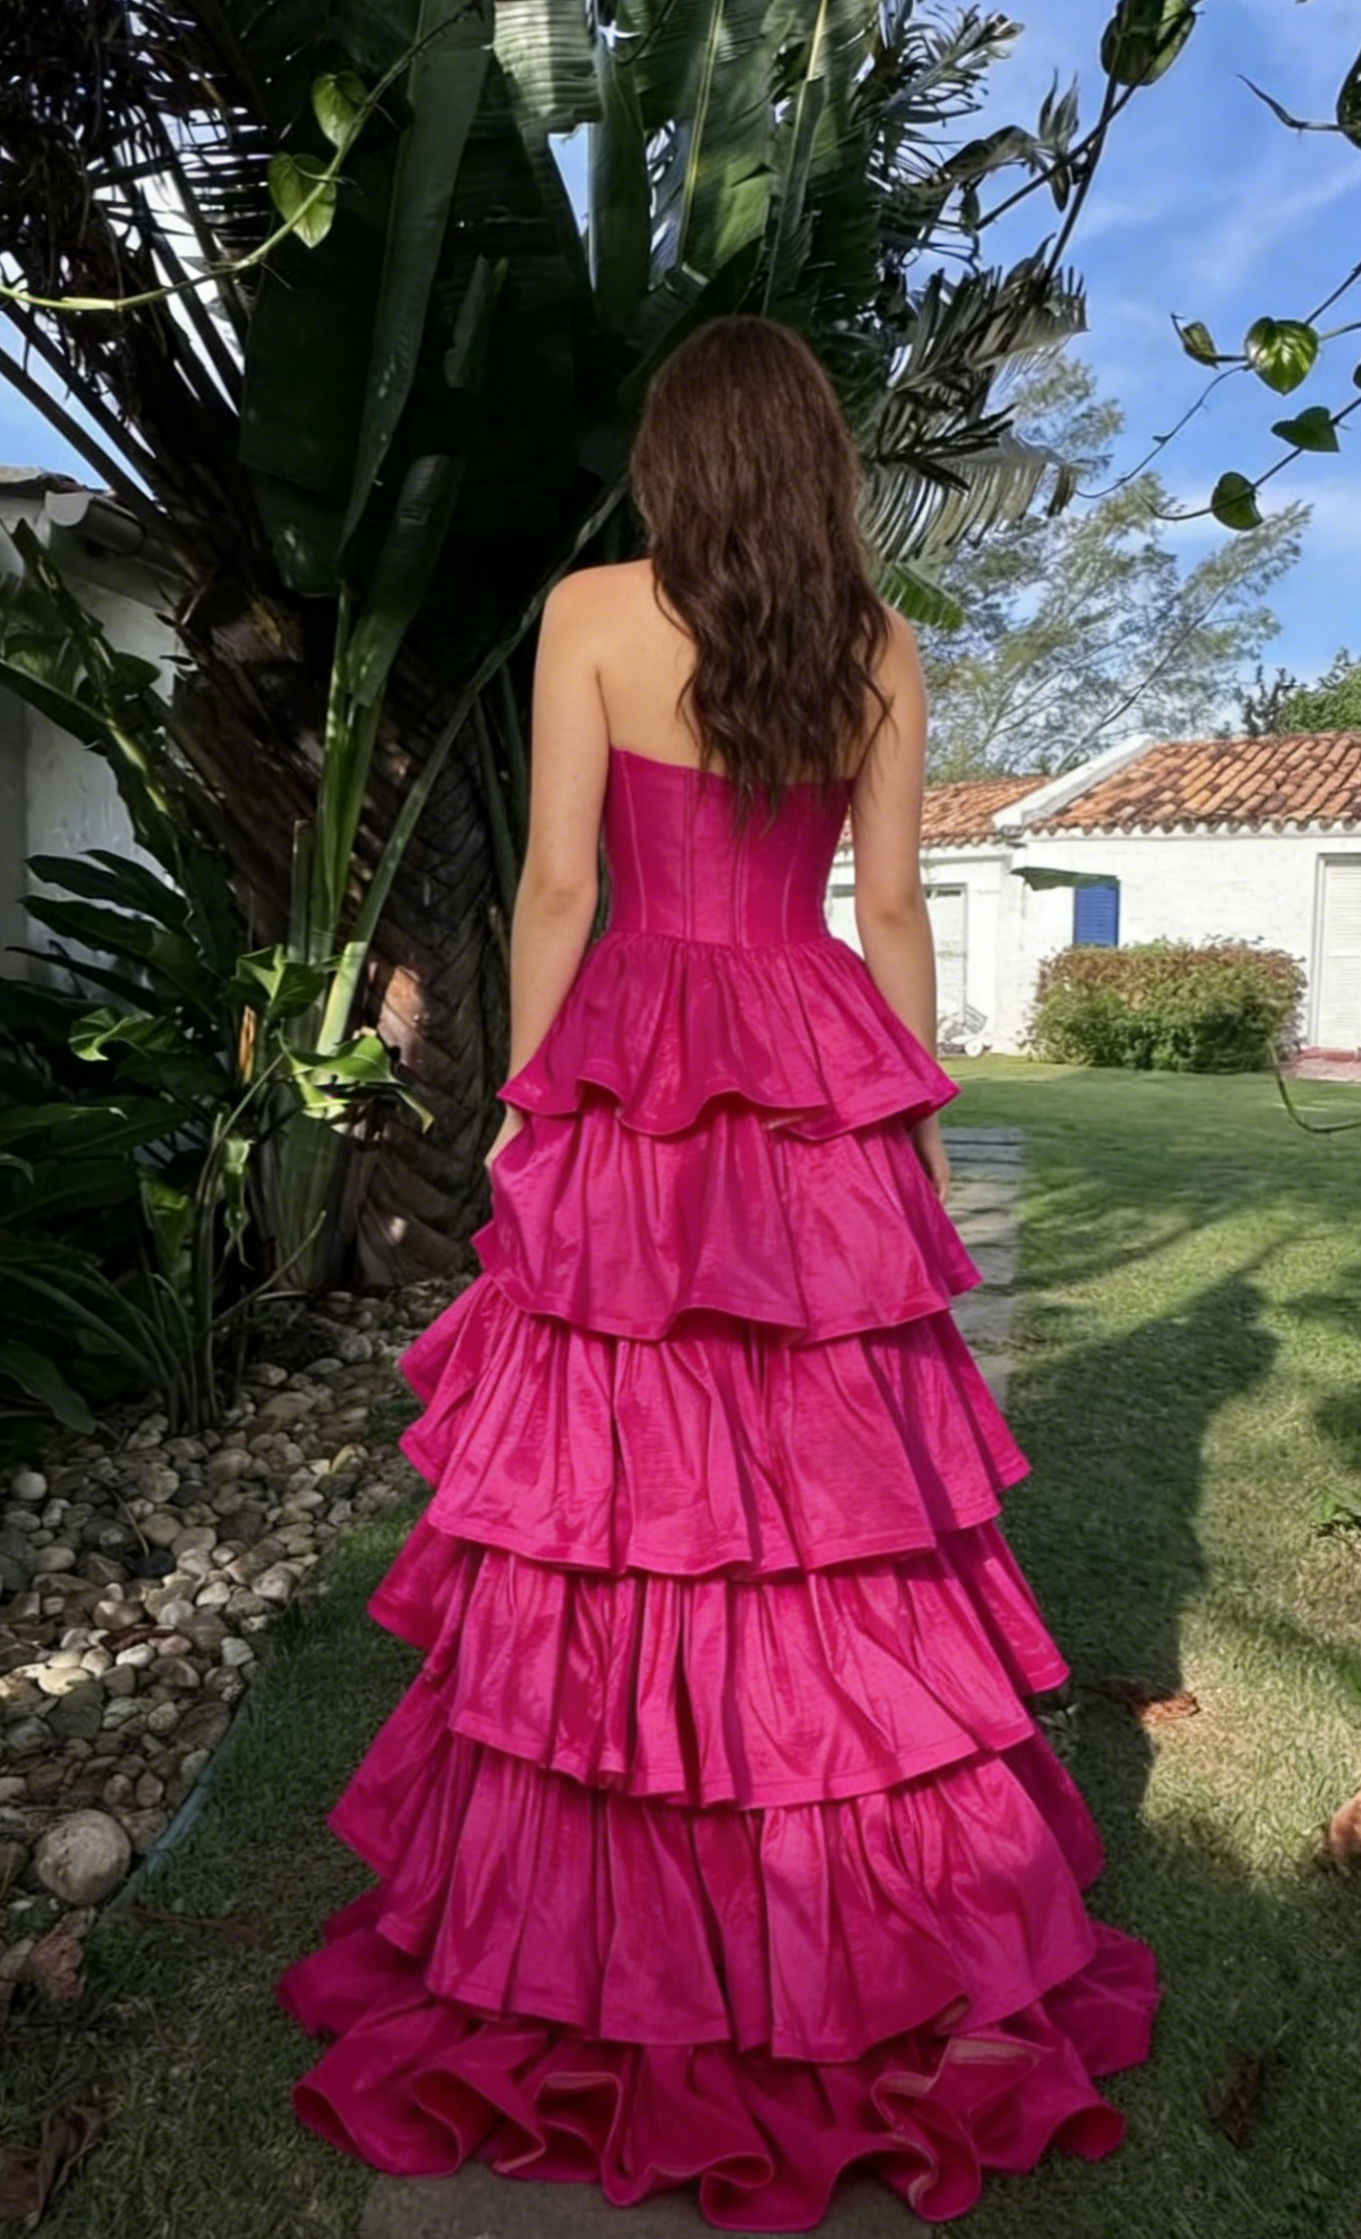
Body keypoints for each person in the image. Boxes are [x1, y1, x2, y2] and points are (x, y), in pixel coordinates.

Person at [275, 314, 1160, 2229]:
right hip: (809, 1055)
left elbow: (559, 887)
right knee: (831, 1486)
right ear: (817, 460)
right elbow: (894, 906)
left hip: (636, 1061)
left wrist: (529, 1106)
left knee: (622, 1473)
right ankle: (838, 1882)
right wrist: (909, 1120)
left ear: (671, 460)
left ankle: (631, 1877)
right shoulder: (874, 639)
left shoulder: (596, 611)